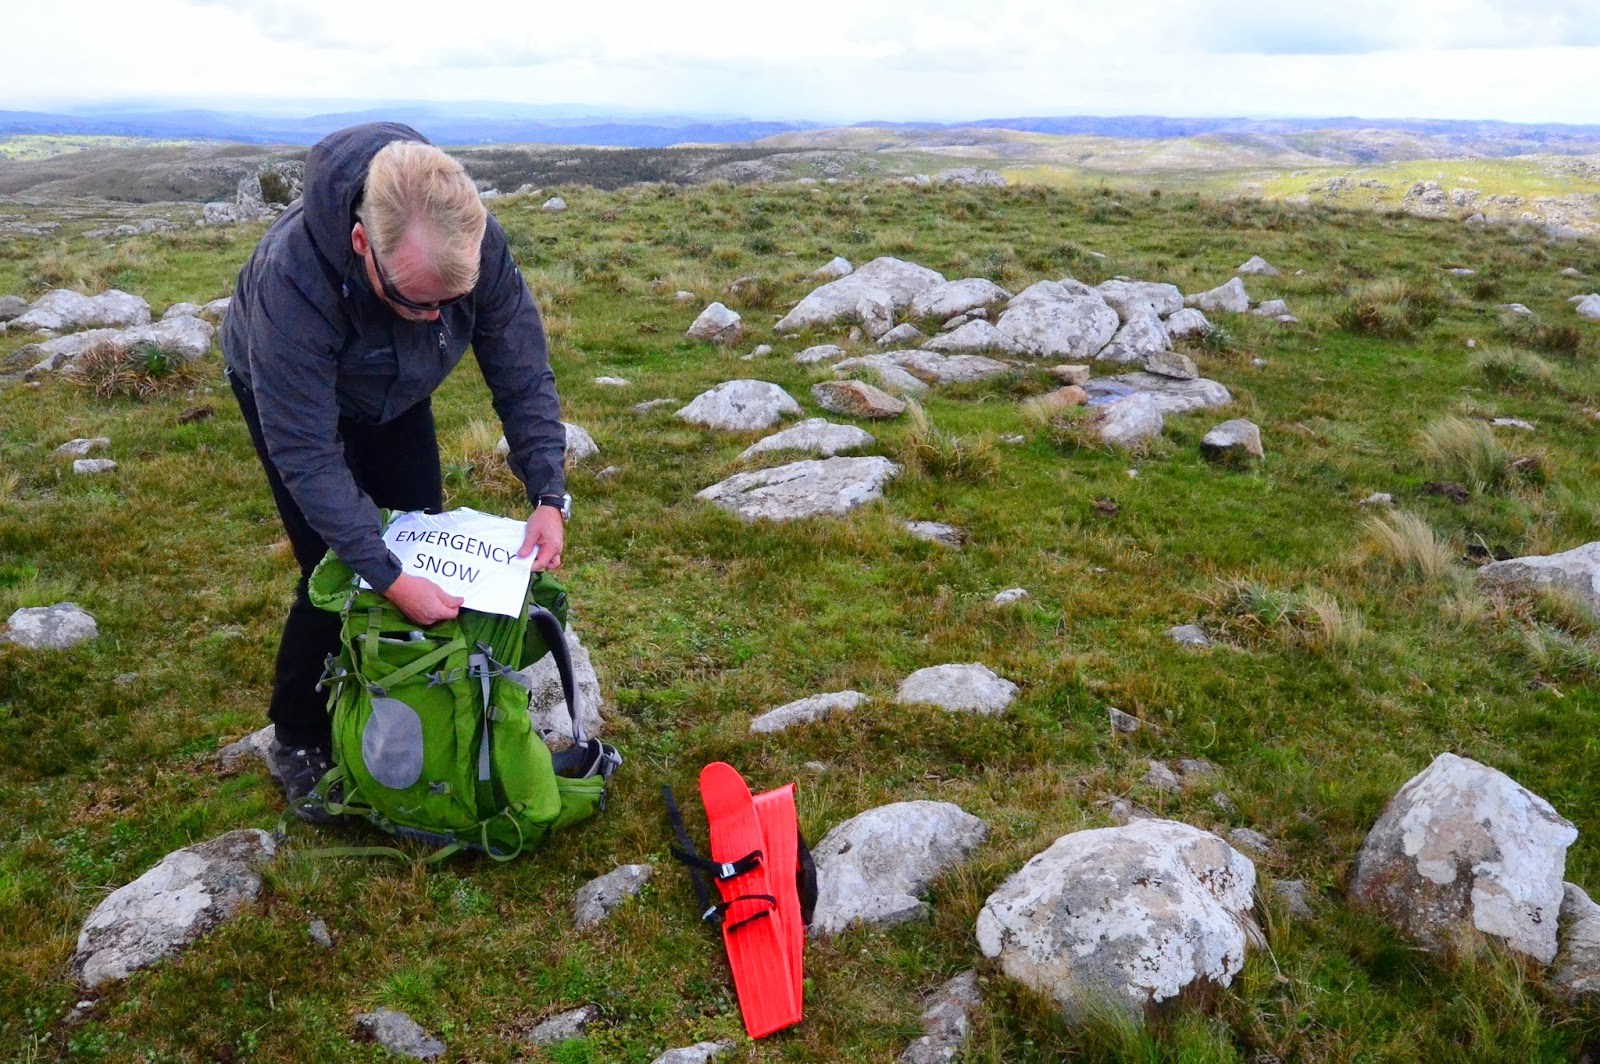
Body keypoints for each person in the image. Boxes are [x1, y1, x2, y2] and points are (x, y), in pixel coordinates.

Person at [221, 122, 570, 821]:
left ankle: (400, 698)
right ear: (362, 247)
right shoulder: (295, 278)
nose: (434, 318)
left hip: (397, 392)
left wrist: (547, 491)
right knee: (338, 567)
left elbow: (521, 370)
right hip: (288, 396)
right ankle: (296, 732)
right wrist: (382, 572)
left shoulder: (474, 245)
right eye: (417, 301)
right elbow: (308, 455)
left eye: (450, 305)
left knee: (421, 552)